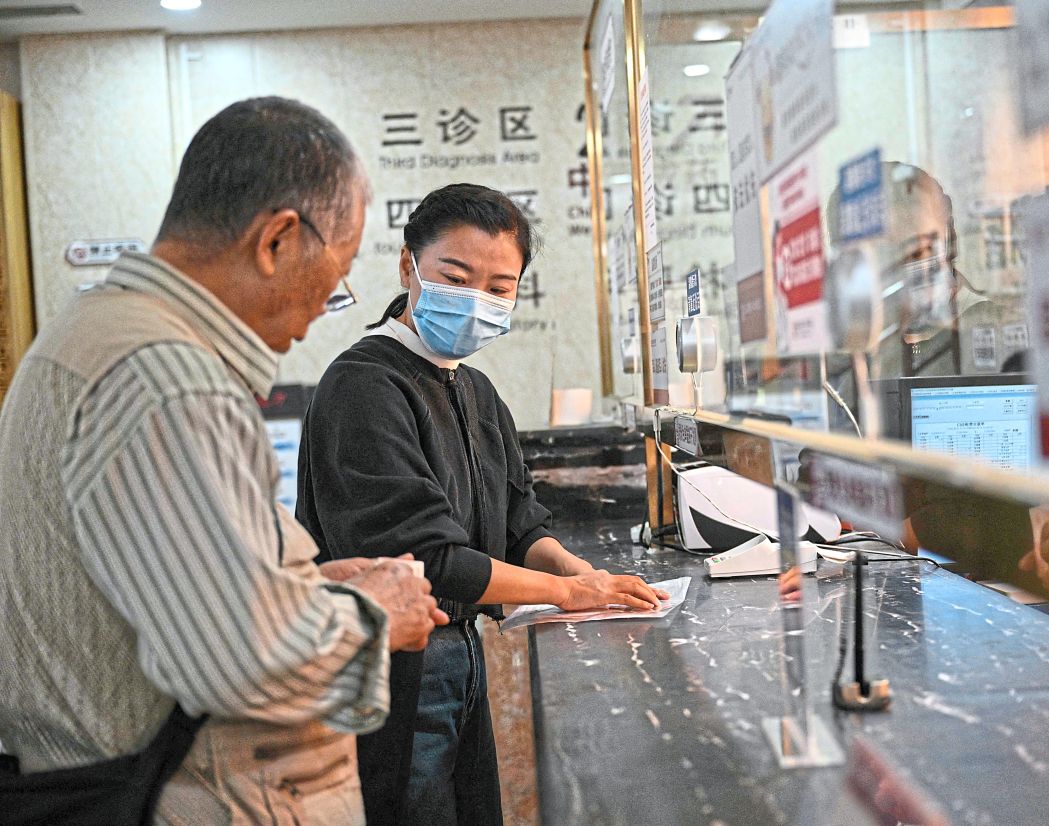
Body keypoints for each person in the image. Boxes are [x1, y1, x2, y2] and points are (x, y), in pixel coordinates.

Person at [0, 96, 447, 826]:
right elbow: (243, 663)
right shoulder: (166, 378)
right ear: (276, 240)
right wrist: (375, 612)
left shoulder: (97, 330)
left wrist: (293, 585)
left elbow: (165, 585)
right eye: (334, 276)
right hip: (176, 792)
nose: (320, 310)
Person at [297, 183, 668, 825]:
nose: (477, 300)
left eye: (500, 287)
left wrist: (581, 574)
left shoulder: (473, 388)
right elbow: (430, 558)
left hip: (460, 652)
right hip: (391, 670)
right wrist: (568, 596)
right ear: (408, 266)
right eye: (455, 276)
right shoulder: (363, 387)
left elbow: (519, 520)